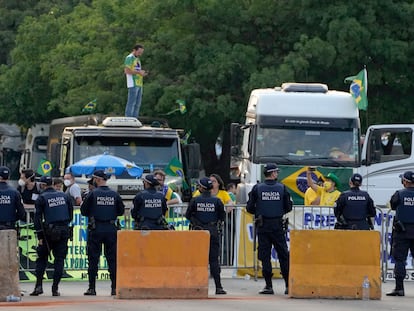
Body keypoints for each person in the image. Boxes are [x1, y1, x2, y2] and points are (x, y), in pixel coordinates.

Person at [246, 163, 292, 295]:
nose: (277, 174)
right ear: (272, 174)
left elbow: (249, 207)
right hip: (277, 225)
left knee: (265, 257)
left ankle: (268, 286)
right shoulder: (282, 188)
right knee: (283, 255)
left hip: (263, 225)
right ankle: (288, 285)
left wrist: (260, 211)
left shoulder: (257, 188)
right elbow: (288, 207)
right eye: (276, 172)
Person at [81, 170, 125, 296]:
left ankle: (92, 288)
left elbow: (84, 211)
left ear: (97, 179)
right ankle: (114, 288)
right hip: (111, 229)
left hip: (96, 229)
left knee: (93, 259)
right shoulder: (114, 194)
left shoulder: (93, 194)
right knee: (112, 259)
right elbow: (121, 211)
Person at [30, 176, 73, 297]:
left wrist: (40, 236)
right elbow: (70, 215)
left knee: (42, 259)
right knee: (59, 260)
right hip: (63, 230)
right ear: (53, 184)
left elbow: (37, 218)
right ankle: (55, 288)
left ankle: (38, 286)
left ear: (43, 185)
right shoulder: (64, 196)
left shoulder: (42, 198)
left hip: (47, 232)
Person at [185, 177, 227, 295]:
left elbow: (188, 215)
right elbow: (222, 216)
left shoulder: (195, 200)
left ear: (202, 188)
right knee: (214, 259)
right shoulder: (217, 201)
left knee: (197, 259)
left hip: (198, 232)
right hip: (212, 231)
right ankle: (218, 287)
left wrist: (197, 221)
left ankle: (195, 286)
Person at [386, 171, 414, 297]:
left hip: (402, 231)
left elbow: (392, 205)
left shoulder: (399, 194)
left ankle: (399, 288)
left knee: (400, 260)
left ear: (405, 182)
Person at [124, 44, 148, 118]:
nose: (140, 54)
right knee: (131, 102)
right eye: (139, 52)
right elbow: (127, 71)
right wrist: (138, 72)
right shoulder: (129, 58)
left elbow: (137, 69)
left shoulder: (137, 59)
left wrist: (142, 73)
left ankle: (135, 119)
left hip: (139, 83)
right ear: (134, 50)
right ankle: (128, 119)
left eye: (141, 52)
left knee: (138, 103)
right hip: (133, 83)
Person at [0, 166, 26, 230]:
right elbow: (21, 213)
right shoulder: (15, 192)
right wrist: (13, 218)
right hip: (9, 227)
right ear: (8, 177)